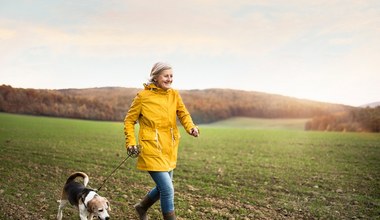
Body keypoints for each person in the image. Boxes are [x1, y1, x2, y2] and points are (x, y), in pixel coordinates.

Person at [124, 62, 199, 220]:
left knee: (163, 187)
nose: (170, 79)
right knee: (167, 189)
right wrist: (130, 142)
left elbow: (183, 114)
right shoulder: (142, 97)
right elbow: (129, 121)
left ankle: (142, 207)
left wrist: (190, 127)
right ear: (156, 77)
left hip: (169, 146)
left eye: (171, 76)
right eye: (166, 76)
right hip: (151, 147)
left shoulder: (174, 94)